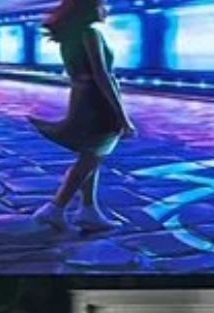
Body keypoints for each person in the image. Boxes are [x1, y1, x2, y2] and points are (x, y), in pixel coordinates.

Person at [29, 0, 135, 233]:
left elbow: (79, 74)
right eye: (101, 4)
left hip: (83, 98)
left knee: (91, 154)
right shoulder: (90, 34)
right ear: (89, 8)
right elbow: (102, 75)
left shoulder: (69, 37)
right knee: (90, 158)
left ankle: (88, 210)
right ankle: (55, 209)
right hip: (98, 102)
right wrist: (122, 117)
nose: (105, 9)